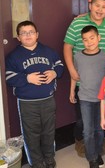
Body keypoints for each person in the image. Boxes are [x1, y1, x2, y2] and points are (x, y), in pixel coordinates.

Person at [63, 0, 105, 161]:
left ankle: (99, 147)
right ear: (90, 6)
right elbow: (67, 47)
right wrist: (72, 70)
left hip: (104, 85)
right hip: (83, 82)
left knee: (101, 120)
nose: (100, 10)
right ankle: (83, 144)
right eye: (97, 5)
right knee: (82, 120)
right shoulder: (77, 23)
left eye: (104, 7)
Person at [5, 20, 64, 168]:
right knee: (31, 135)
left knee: (49, 132)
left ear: (37, 34)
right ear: (18, 38)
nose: (28, 35)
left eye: (31, 32)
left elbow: (60, 65)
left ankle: (50, 159)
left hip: (48, 100)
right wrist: (27, 78)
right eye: (23, 33)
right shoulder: (13, 56)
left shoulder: (48, 51)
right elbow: (9, 77)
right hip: (26, 103)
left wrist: (54, 72)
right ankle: (36, 163)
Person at [69, 26, 105, 168]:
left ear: (99, 38)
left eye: (92, 38)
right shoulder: (78, 56)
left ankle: (97, 153)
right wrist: (71, 91)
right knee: (88, 130)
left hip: (101, 99)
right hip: (85, 98)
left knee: (100, 129)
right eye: (85, 40)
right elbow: (74, 76)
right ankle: (91, 157)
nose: (89, 42)